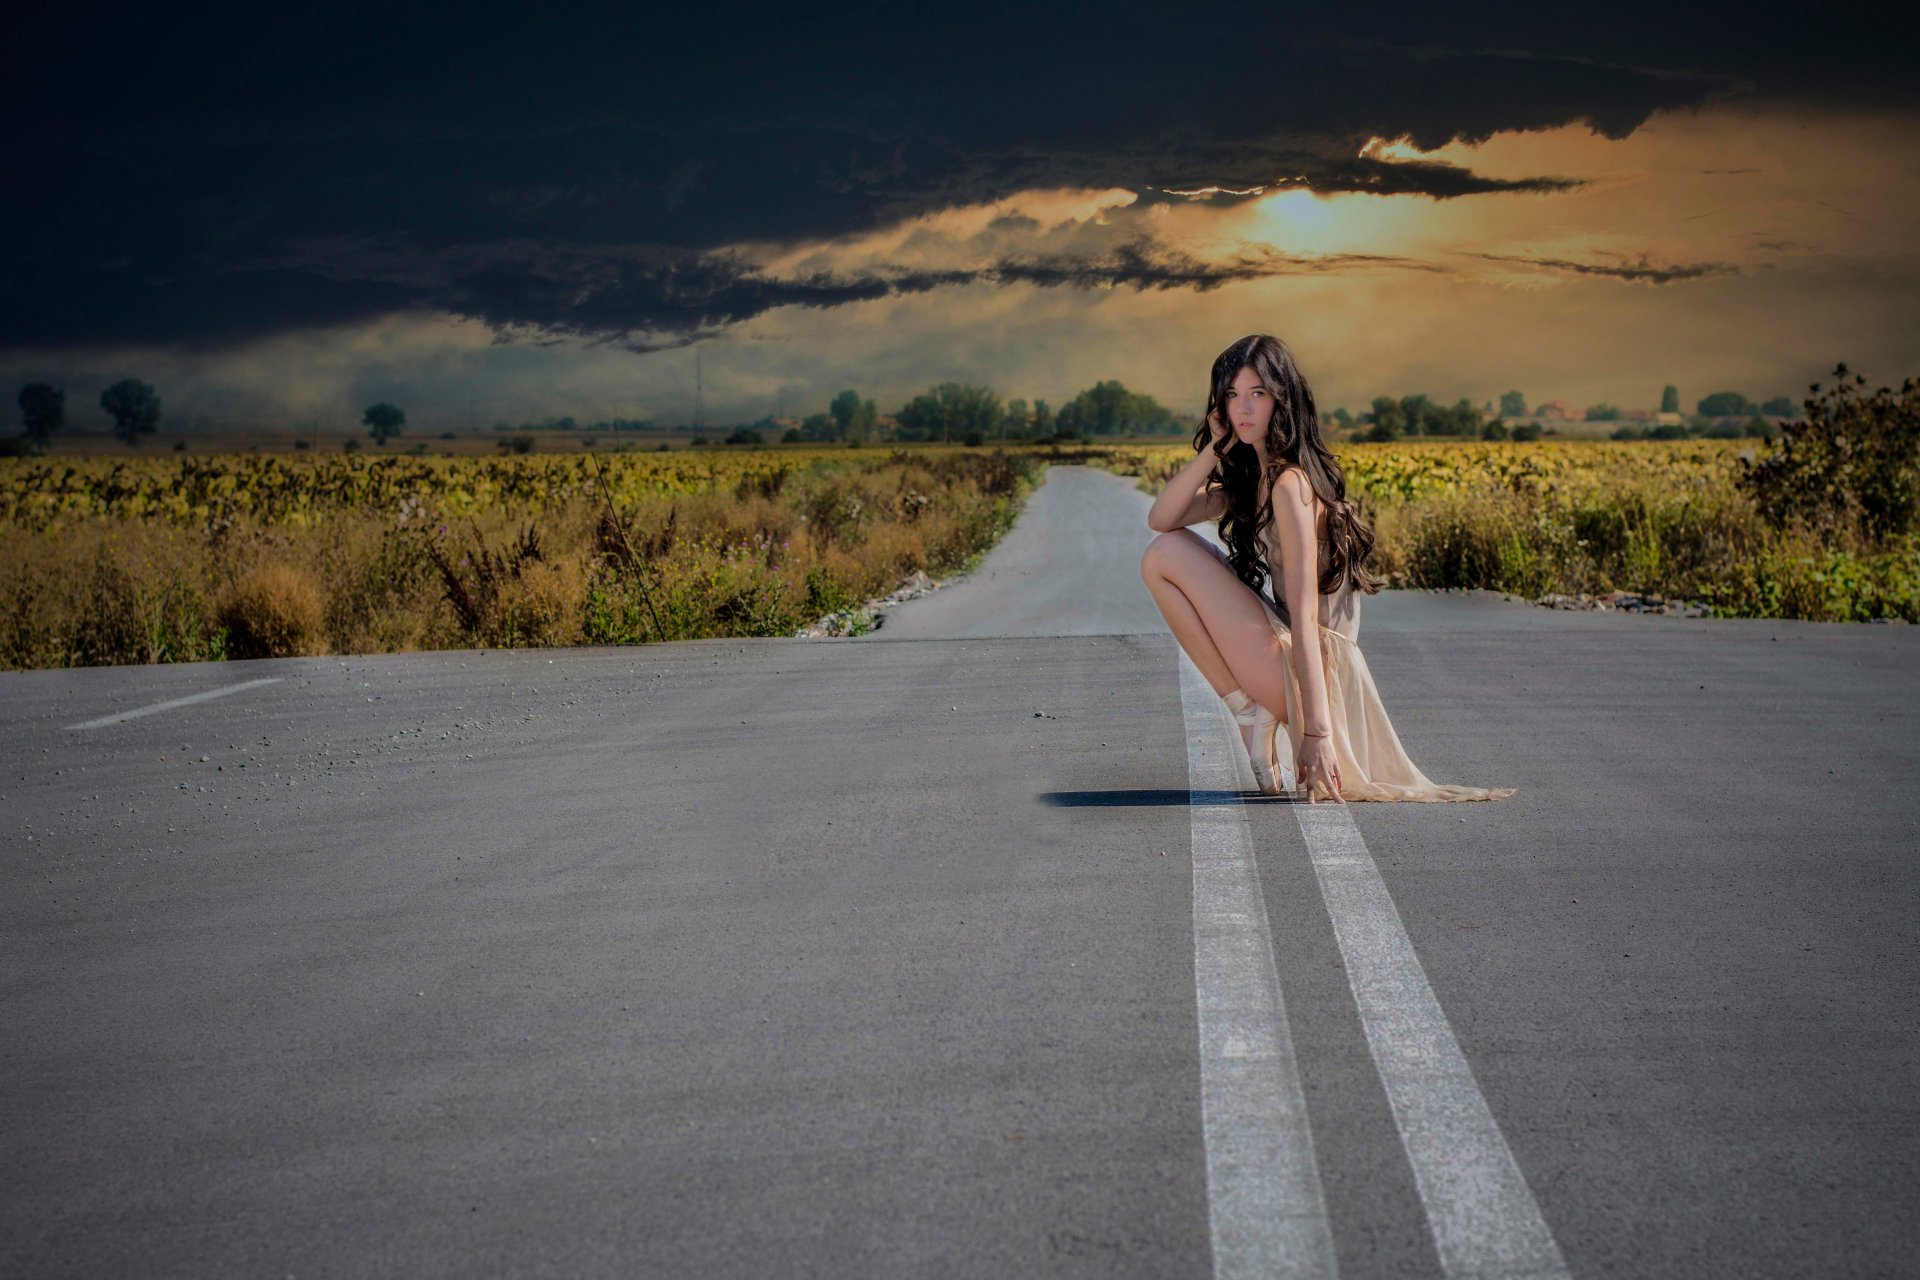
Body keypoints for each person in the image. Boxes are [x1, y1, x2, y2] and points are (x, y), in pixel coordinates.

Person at [1139, 333, 1516, 804]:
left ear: (1283, 399)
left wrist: (1317, 735)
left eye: (1258, 393)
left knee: (1163, 556)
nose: (1244, 409)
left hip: (1315, 674)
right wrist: (1214, 449)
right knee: (1163, 551)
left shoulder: (1289, 484)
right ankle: (1247, 713)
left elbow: (1303, 613)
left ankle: (1252, 714)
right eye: (1232, 395)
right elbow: (1162, 518)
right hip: (1294, 660)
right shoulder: (1254, 479)